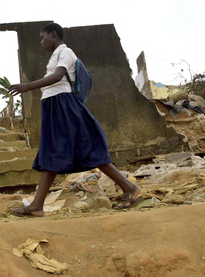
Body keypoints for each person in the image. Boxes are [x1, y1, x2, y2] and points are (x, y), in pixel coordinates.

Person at [8, 22, 141, 217]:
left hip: (64, 106)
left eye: (42, 37)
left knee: (88, 148)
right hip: (53, 107)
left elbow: (58, 76)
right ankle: (37, 205)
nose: (41, 42)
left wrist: (27, 86)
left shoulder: (66, 52)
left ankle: (129, 187)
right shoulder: (55, 56)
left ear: (53, 34)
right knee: (51, 153)